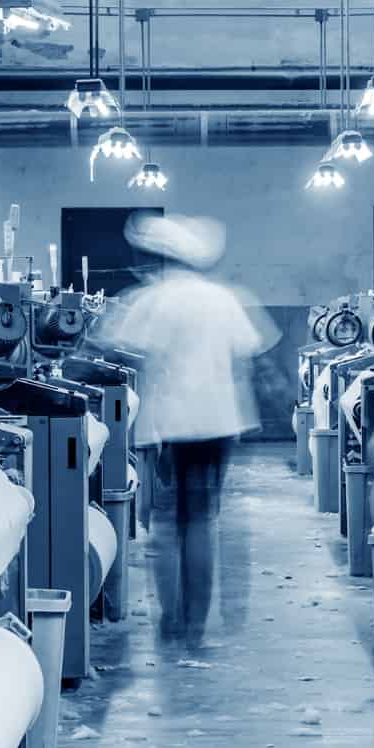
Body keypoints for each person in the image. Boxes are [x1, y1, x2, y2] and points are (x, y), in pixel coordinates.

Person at [96, 214, 278, 649]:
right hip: (218, 423)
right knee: (201, 517)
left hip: (170, 424)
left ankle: (170, 618)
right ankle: (195, 621)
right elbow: (250, 358)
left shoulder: (150, 300)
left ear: (157, 258)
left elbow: (113, 353)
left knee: (166, 519)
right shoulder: (223, 299)